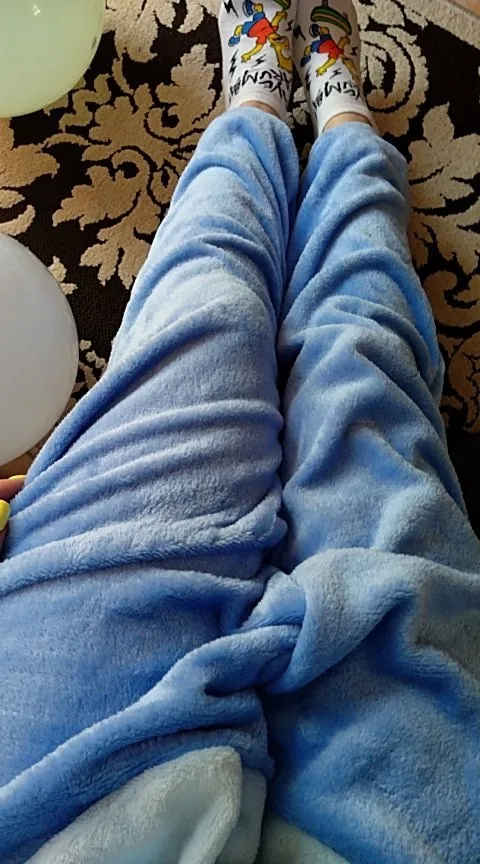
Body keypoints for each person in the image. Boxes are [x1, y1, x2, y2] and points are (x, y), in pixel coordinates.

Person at [1, 1, 480, 861]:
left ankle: (258, 100)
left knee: (211, 319)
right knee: (363, 380)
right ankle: (342, 121)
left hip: (42, 808)